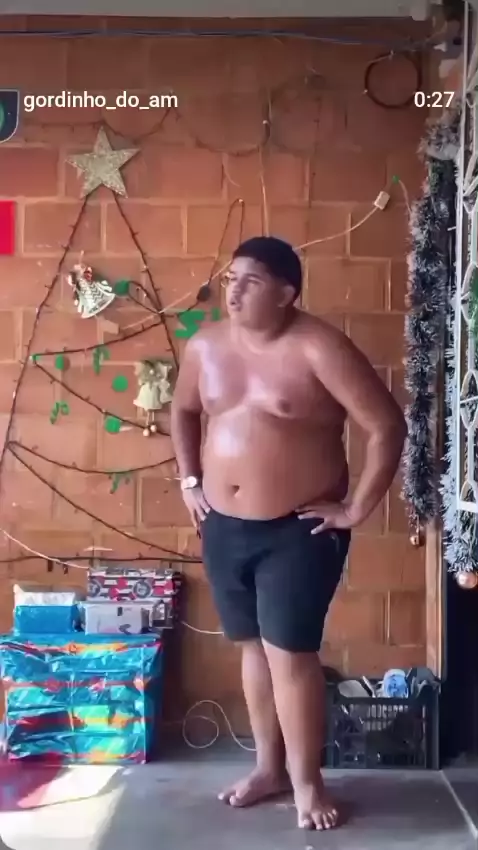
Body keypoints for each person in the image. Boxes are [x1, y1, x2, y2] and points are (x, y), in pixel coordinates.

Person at [170, 236, 407, 831]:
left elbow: (386, 426)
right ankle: (268, 769)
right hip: (223, 525)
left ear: (285, 293)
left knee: (289, 653)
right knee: (252, 648)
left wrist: (355, 509)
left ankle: (308, 784)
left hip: (298, 530)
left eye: (250, 281)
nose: (233, 291)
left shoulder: (319, 347)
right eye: (230, 278)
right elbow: (184, 411)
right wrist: (190, 480)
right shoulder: (205, 346)